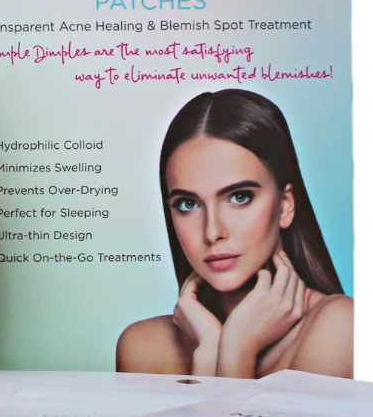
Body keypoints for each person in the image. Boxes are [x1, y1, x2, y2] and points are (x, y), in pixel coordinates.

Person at [116, 89, 353, 378]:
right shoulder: (145, 346)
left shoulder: (339, 325)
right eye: (188, 204)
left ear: (285, 205)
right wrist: (211, 348)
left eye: (240, 197)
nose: (212, 232)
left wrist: (237, 350)